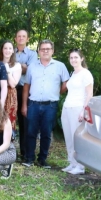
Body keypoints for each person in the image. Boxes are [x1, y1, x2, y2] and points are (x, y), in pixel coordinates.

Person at [21, 39, 70, 168]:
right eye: (42, 49)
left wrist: (56, 94)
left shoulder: (60, 66)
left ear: (52, 51)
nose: (45, 51)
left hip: (50, 105)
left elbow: (66, 83)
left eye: (48, 49)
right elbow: (26, 86)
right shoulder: (32, 66)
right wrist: (24, 105)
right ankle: (29, 158)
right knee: (31, 132)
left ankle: (42, 159)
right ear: (38, 51)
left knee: (46, 133)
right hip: (33, 104)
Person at [61, 49, 94, 175]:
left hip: (77, 108)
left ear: (82, 58)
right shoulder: (73, 73)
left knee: (76, 138)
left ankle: (80, 166)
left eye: (76, 57)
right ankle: (72, 163)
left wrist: (83, 110)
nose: (73, 60)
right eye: (71, 58)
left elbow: (89, 94)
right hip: (67, 107)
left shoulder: (86, 74)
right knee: (68, 137)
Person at [14, 30, 38, 161]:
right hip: (10, 90)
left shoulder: (32, 54)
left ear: (27, 39)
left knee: (25, 122)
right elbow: (4, 66)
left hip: (25, 90)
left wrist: (14, 66)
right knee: (9, 121)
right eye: (19, 36)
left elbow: (31, 69)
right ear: (15, 38)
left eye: (24, 36)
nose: (21, 38)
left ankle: (25, 153)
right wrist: (22, 66)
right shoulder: (9, 51)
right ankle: (9, 151)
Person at [0, 40, 22, 130]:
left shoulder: (17, 65)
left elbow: (12, 84)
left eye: (10, 48)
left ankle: (9, 141)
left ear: (13, 51)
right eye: (5, 48)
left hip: (10, 95)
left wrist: (7, 68)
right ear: (2, 50)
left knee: (8, 119)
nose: (7, 50)